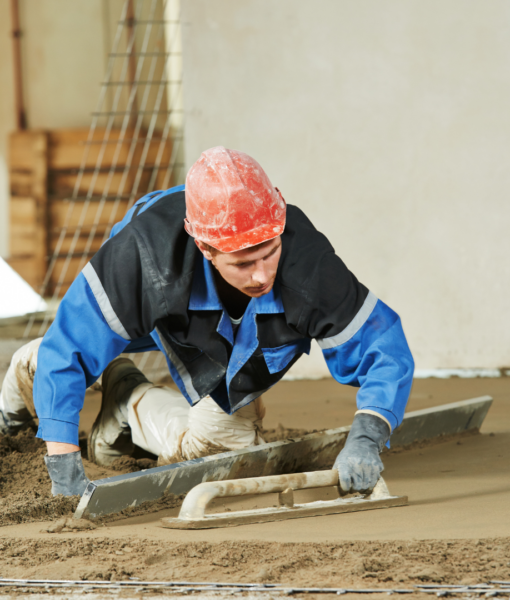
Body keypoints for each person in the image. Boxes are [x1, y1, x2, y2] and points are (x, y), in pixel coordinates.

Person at [0, 146, 414, 497]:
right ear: (205, 247)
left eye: (269, 252)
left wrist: (367, 437)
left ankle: (126, 399)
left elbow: (383, 347)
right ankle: (27, 365)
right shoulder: (141, 258)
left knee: (224, 450)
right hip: (157, 310)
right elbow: (69, 350)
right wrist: (64, 468)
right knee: (61, 356)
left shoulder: (308, 263)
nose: (262, 275)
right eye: (243, 262)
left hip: (225, 335)